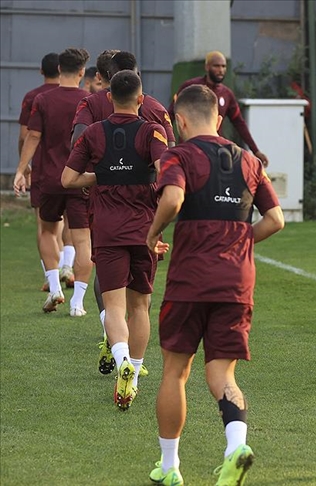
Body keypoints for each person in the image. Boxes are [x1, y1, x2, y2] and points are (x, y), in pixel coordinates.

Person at [145, 84, 284, 485]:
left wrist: (152, 234)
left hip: (190, 279)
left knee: (175, 372)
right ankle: (236, 446)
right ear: (219, 119)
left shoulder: (178, 155)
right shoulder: (249, 161)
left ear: (179, 121)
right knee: (223, 375)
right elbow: (276, 220)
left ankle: (170, 467)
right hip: (236, 281)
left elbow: (173, 199)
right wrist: (239, 242)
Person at [61, 70, 168, 410]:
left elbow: (67, 179)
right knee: (140, 306)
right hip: (145, 231)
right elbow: (165, 170)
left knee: (115, 307)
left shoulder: (94, 133)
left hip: (107, 230)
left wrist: (101, 176)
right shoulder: (153, 131)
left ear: (109, 98)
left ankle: (121, 360)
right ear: (141, 99)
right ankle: (132, 376)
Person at [14, 47, 92, 316]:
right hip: (80, 179)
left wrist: (21, 170)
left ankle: (55, 287)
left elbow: (32, 136)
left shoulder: (43, 99)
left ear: (59, 69)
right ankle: (77, 302)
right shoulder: (89, 100)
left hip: (49, 178)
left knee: (48, 231)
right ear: (82, 71)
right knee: (83, 240)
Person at [16, 52, 74, 292]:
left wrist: (24, 165)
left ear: (41, 71)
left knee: (46, 226)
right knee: (73, 222)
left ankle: (52, 277)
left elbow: (26, 135)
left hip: (44, 168)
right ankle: (67, 266)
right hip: (75, 170)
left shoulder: (34, 97)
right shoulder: (81, 97)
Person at [168, 51, 268, 166]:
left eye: (223, 66)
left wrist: (255, 150)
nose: (220, 70)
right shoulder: (190, 88)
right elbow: (170, 115)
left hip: (213, 152)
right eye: (216, 66)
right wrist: (168, 144)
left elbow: (239, 123)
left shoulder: (227, 94)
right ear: (207, 67)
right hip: (189, 150)